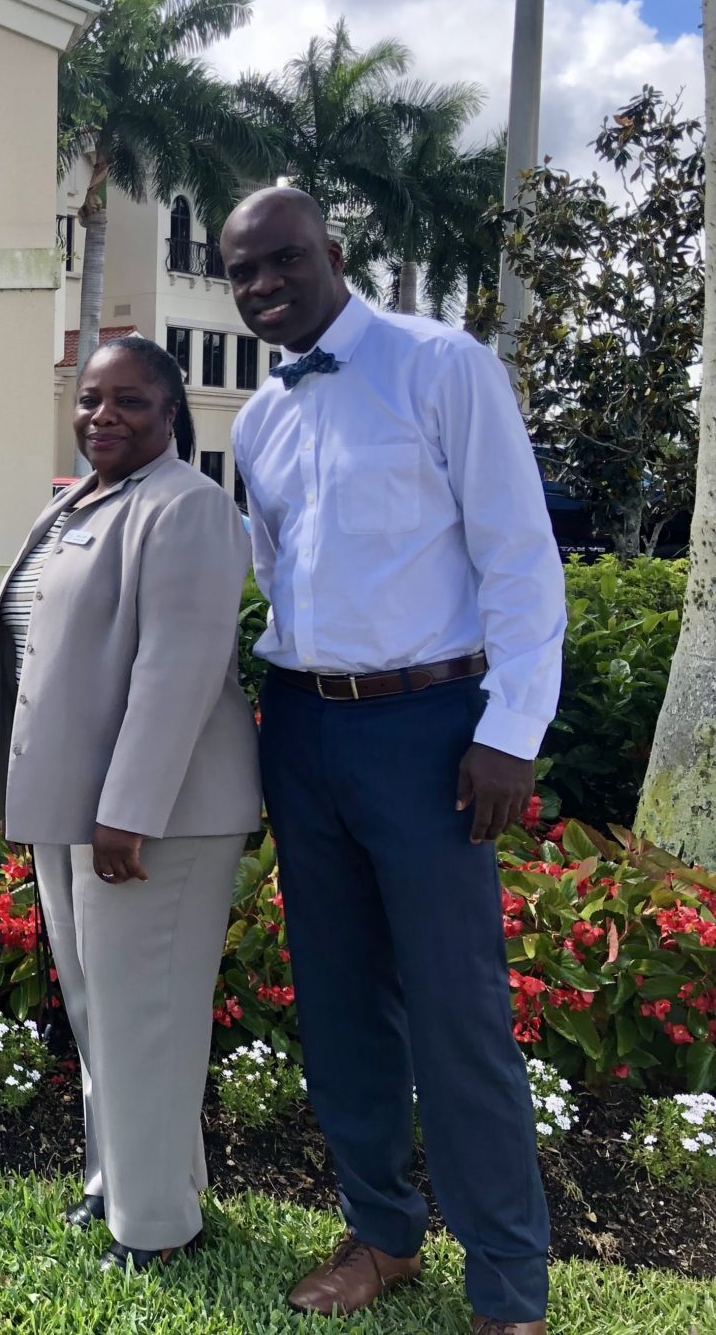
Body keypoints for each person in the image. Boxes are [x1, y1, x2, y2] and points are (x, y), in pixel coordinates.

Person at [226, 187, 562, 1335]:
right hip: (302, 728)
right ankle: (381, 1232)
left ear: (332, 250)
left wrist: (506, 730)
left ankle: (508, 1288)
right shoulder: (257, 419)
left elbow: (518, 554)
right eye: (240, 271)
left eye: (280, 261)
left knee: (455, 1008)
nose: (261, 286)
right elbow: (272, 572)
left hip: (427, 730)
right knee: (335, 1002)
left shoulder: (440, 366)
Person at [0, 335, 260, 1271]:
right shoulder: (79, 504)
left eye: (130, 401)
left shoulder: (188, 507)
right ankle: (123, 1190)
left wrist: (125, 812)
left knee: (147, 1018)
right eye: (92, 399)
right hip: (75, 807)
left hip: (154, 818)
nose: (104, 415)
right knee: (104, 1010)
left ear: (171, 411)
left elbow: (177, 670)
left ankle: (154, 1231)